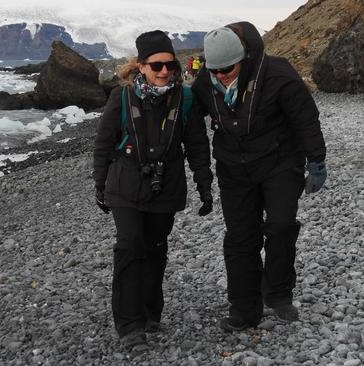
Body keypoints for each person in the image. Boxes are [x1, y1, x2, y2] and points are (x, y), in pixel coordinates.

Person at [191, 22, 327, 332]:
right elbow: (189, 122)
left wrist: (316, 161)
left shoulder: (278, 74)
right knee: (240, 238)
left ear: (244, 58)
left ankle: (278, 293)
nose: (221, 75)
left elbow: (306, 118)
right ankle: (244, 309)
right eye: (215, 70)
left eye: (227, 68)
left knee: (280, 226)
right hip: (233, 169)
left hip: (280, 162)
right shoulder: (205, 82)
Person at [93, 30, 214, 347]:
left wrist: (205, 185)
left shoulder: (185, 100)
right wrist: (99, 184)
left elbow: (198, 146)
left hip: (167, 186)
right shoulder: (121, 97)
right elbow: (104, 143)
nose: (165, 72)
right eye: (157, 65)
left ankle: (149, 313)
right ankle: (129, 325)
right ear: (141, 66)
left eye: (170, 65)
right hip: (125, 184)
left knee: (155, 248)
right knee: (130, 245)